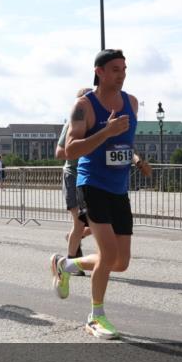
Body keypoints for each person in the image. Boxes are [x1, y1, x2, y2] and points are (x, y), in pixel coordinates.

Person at [51, 49, 152, 338]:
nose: (122, 74)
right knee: (107, 254)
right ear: (100, 72)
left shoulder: (131, 103)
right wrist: (104, 132)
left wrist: (138, 161)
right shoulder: (84, 106)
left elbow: (124, 143)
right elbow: (70, 150)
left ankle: (65, 264)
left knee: (120, 262)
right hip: (91, 184)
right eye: (116, 69)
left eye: (124, 69)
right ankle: (96, 316)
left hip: (119, 189)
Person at [55, 87, 94, 274]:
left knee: (100, 223)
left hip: (91, 177)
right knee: (79, 222)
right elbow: (60, 152)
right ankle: (70, 264)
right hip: (73, 175)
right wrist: (81, 148)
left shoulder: (96, 123)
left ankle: (73, 238)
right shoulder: (71, 123)